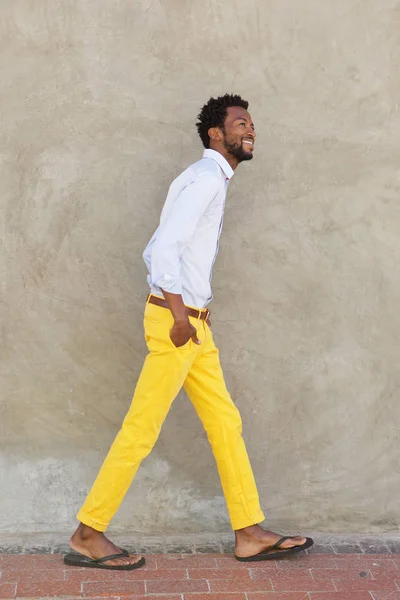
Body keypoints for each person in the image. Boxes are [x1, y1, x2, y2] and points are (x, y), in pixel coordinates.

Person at [64, 94, 313, 571]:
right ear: (216, 133)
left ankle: (248, 532)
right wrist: (180, 315)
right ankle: (88, 532)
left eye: (251, 123)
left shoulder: (210, 179)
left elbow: (184, 254)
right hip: (176, 324)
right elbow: (161, 252)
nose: (250, 129)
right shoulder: (204, 180)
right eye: (240, 123)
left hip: (194, 324)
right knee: (141, 430)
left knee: (225, 424)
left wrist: (196, 310)